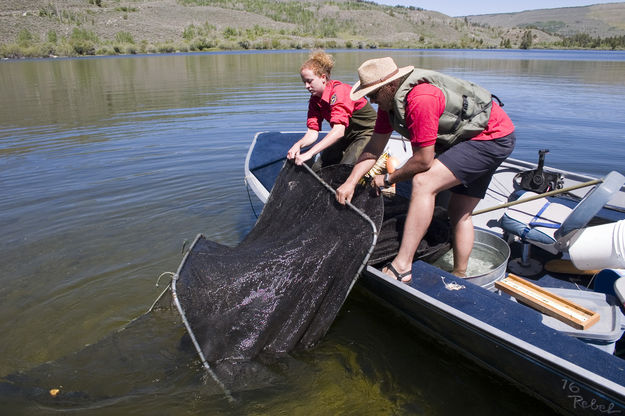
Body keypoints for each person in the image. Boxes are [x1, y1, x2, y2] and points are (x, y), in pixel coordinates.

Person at [336, 57, 516, 283]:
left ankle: (402, 266)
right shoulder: (388, 103)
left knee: (423, 182)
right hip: (475, 137)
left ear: (391, 85)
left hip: (492, 139)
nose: (371, 101)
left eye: (373, 94)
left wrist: (388, 178)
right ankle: (460, 275)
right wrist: (351, 180)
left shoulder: (420, 99)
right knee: (458, 210)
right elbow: (374, 146)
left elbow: (423, 161)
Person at [287, 50, 376, 170]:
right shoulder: (315, 100)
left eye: (309, 81)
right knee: (318, 168)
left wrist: (310, 153)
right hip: (346, 135)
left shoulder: (339, 92)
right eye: (304, 82)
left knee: (343, 170)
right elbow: (312, 133)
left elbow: (338, 131)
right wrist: (298, 145)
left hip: (368, 133)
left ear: (323, 77)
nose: (306, 86)